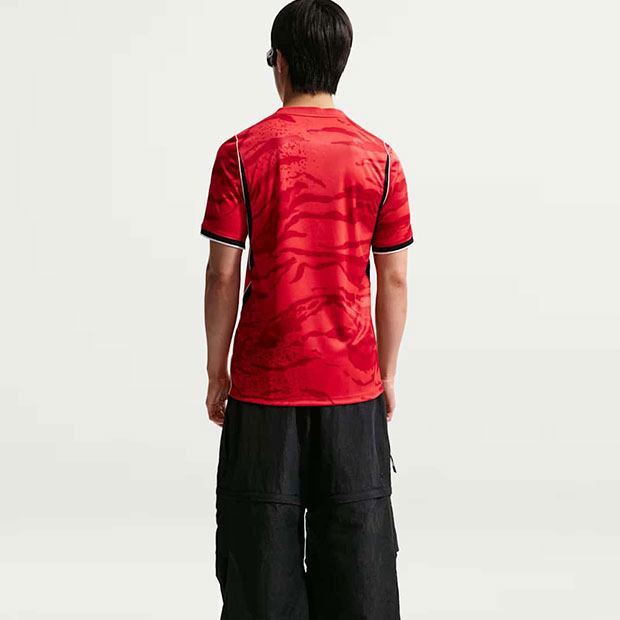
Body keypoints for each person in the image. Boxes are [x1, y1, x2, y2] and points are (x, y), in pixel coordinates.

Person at [200, 1, 413, 617]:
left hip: (265, 388)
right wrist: (386, 375)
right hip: (352, 387)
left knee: (258, 568)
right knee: (360, 569)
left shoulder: (240, 153)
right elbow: (394, 278)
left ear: (282, 63)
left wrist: (217, 372)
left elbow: (222, 272)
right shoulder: (381, 158)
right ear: (340, 63)